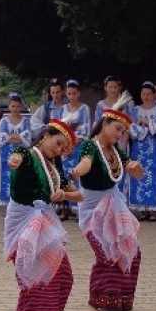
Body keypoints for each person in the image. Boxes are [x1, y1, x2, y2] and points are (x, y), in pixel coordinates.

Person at [4, 120, 81, 311]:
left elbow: (79, 196)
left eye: (62, 148)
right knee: (35, 269)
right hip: (25, 218)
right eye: (57, 143)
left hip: (45, 218)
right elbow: (19, 154)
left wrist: (64, 195)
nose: (57, 150)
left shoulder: (54, 168)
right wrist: (15, 159)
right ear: (45, 135)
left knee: (63, 273)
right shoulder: (29, 156)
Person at [70, 108, 145, 311]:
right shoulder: (90, 146)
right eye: (117, 128)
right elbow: (86, 163)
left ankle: (120, 299)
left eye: (122, 132)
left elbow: (137, 173)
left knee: (132, 250)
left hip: (114, 206)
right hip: (93, 209)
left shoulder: (115, 151)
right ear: (104, 124)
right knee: (106, 253)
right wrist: (78, 170)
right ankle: (96, 301)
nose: (119, 134)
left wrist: (136, 167)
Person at [128, 82, 156, 221]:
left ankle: (154, 209)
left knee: (154, 174)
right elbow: (131, 127)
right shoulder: (135, 109)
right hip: (139, 147)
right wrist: (146, 127)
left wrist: (145, 122)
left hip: (155, 147)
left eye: (148, 94)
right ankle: (143, 208)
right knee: (140, 173)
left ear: (153, 95)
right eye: (143, 94)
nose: (146, 96)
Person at [59, 79, 91, 220]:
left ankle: (79, 208)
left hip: (78, 146)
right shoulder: (63, 109)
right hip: (65, 148)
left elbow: (85, 129)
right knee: (64, 176)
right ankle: (64, 207)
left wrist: (73, 143)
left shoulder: (84, 108)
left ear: (79, 94)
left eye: (74, 94)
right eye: (69, 94)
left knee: (77, 175)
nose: (71, 97)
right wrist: (64, 146)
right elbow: (60, 128)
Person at [0, 92, 32, 206]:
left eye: (17, 106)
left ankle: (21, 199)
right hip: (7, 153)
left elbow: (27, 137)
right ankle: (7, 200)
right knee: (7, 176)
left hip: (21, 153)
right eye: (13, 106)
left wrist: (12, 136)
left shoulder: (26, 120)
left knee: (21, 175)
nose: (15, 108)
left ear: (20, 106)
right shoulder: (4, 120)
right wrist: (19, 137)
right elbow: (2, 137)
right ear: (9, 106)